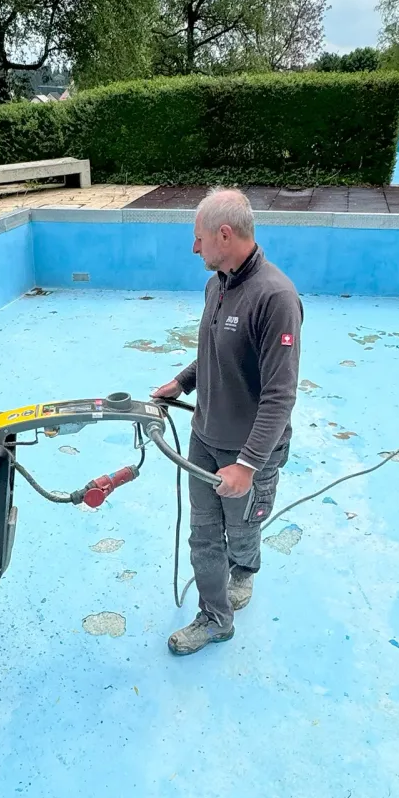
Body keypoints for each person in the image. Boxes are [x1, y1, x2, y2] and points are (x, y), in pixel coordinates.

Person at [152, 188, 303, 655]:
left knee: (242, 528)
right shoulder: (217, 283)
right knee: (203, 532)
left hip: (248, 451)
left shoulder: (275, 298)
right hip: (205, 437)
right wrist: (182, 383)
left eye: (198, 238)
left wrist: (248, 465)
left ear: (224, 234)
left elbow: (280, 396)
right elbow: (212, 352)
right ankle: (216, 618)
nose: (193, 248)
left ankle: (246, 569)